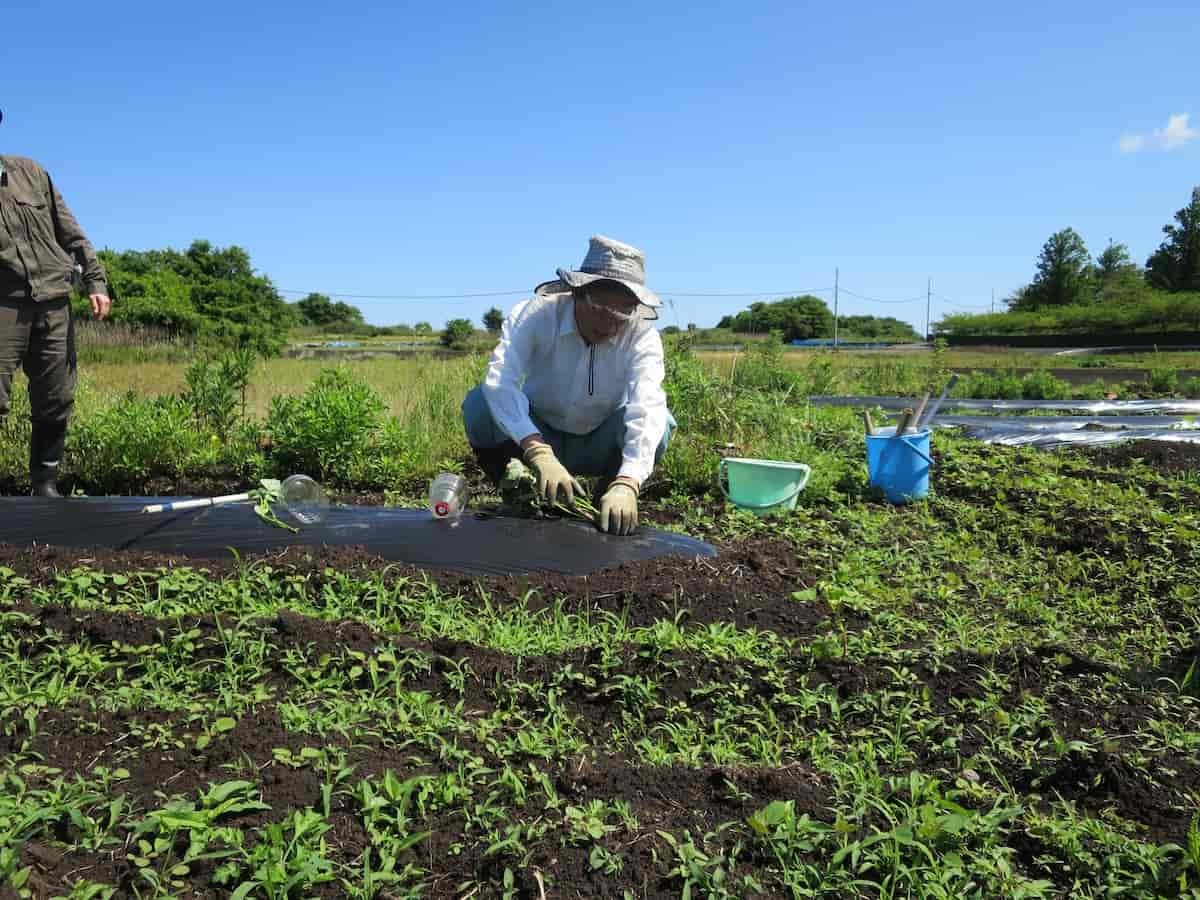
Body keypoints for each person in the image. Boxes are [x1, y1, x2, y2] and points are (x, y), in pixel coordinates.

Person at [462, 235, 675, 536]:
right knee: (479, 405)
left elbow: (648, 406)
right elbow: (500, 381)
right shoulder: (536, 315)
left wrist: (628, 483)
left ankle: (607, 505)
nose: (609, 325)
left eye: (622, 314)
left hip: (599, 440)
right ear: (577, 293)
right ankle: (520, 498)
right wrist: (538, 452)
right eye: (601, 310)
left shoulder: (641, 336)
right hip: (537, 434)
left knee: (662, 424)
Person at [0, 109, 111, 497]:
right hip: (4, 304)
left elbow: (71, 231)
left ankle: (45, 483)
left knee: (57, 396)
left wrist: (95, 280)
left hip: (54, 300)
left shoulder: (31, 172)